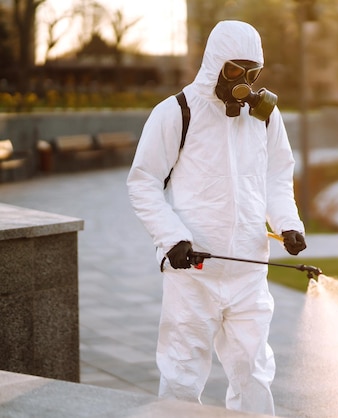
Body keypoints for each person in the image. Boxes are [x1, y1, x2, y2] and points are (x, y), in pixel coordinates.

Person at [126, 20, 306, 415]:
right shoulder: (178, 111)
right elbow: (143, 182)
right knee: (182, 373)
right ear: (214, 63)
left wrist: (288, 224)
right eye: (234, 70)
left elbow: (278, 175)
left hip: (248, 272)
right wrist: (172, 238)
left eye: (252, 72)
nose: (243, 80)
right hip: (193, 272)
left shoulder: (265, 118)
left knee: (254, 374)